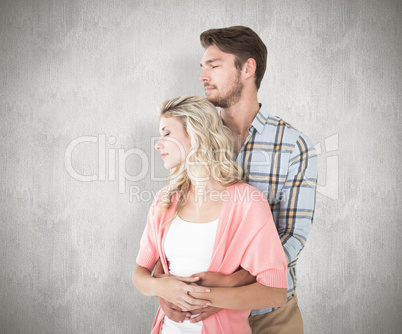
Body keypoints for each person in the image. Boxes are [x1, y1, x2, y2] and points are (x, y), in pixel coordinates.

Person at [157, 26, 318, 333]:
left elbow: (292, 234)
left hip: (269, 314)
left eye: (214, 66)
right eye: (202, 67)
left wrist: (230, 288)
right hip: (201, 314)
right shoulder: (196, 137)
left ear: (248, 68)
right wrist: (163, 284)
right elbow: (168, 220)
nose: (203, 76)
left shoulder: (294, 145)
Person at [132, 96, 288, 334]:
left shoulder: (248, 202)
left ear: (196, 135)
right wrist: (163, 289)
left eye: (166, 134)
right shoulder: (165, 200)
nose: (157, 144)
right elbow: (139, 276)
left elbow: (274, 292)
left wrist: (208, 297)